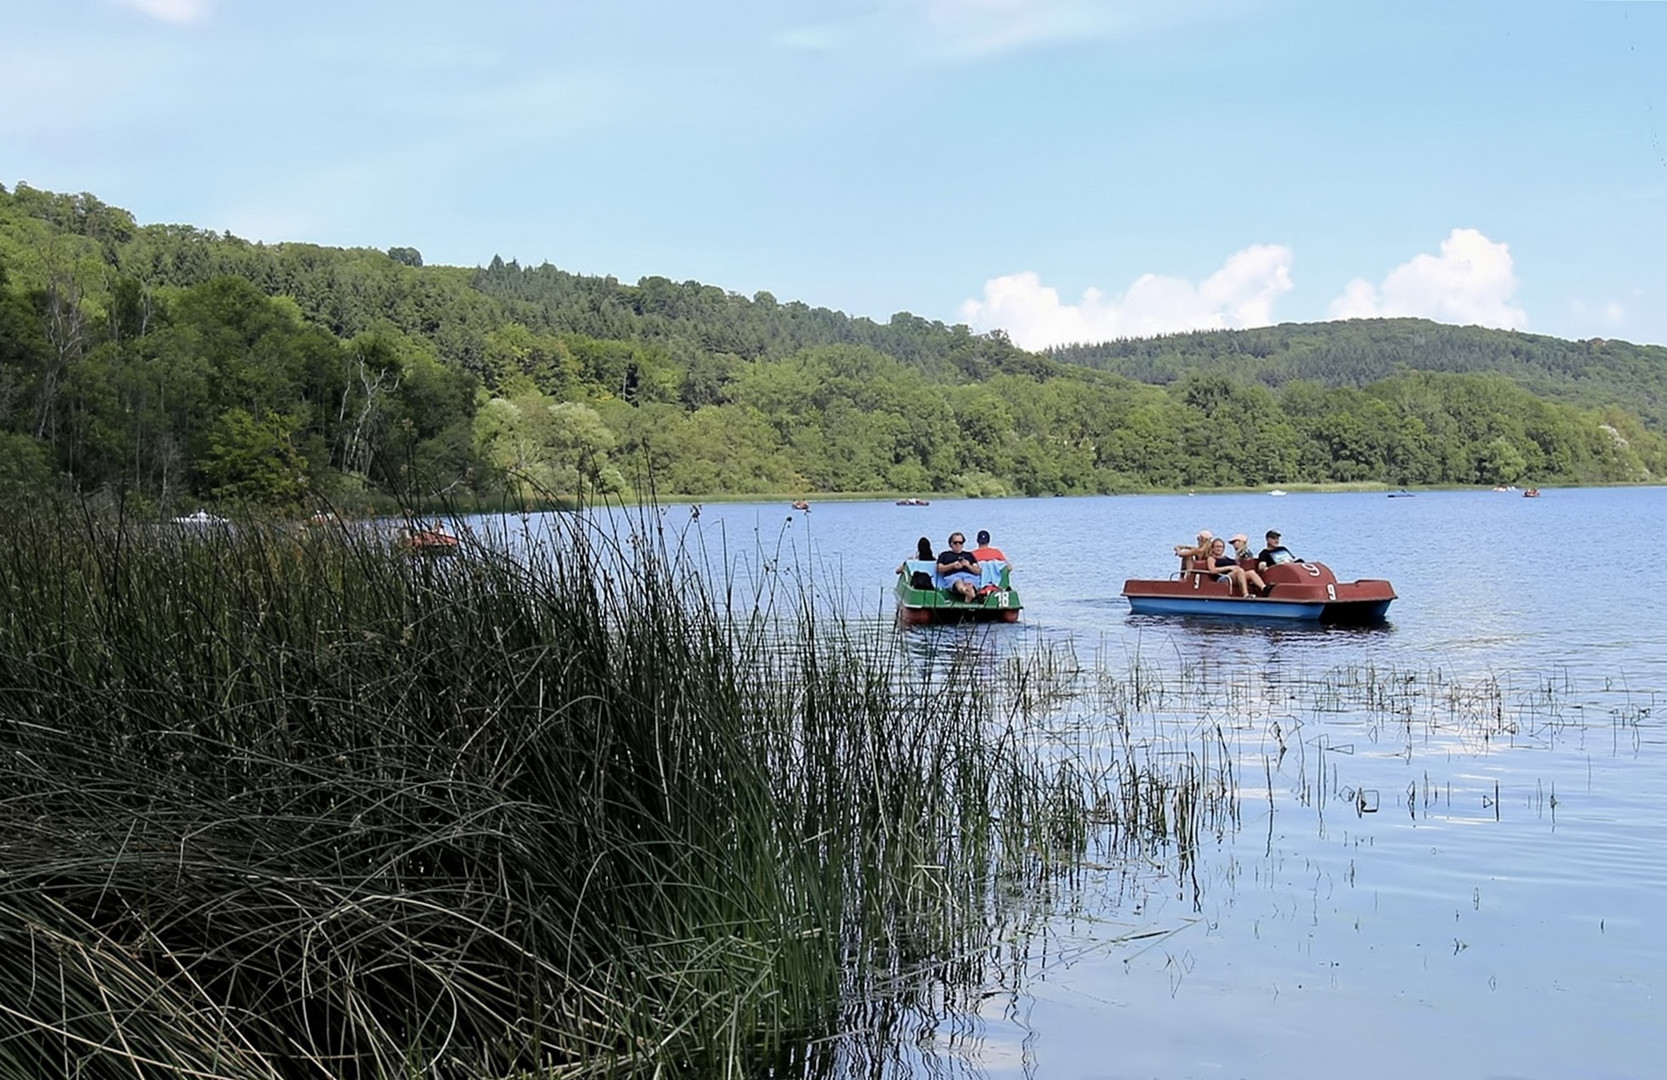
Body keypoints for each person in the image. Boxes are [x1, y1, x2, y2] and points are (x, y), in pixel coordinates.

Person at [1192, 537, 1264, 597]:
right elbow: (1212, 570)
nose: (1219, 549)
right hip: (1222, 578)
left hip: (1233, 576)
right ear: (1212, 548)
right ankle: (1245, 594)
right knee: (1239, 571)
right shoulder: (1211, 558)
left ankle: (1264, 588)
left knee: (1251, 572)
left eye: (1221, 547)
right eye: (1217, 547)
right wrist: (1229, 568)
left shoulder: (1226, 558)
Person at [936, 532, 982, 602]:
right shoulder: (944, 555)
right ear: (950, 544)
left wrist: (968, 565)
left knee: (969, 583)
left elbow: (978, 571)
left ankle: (968, 593)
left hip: (969, 576)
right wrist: (952, 566)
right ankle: (968, 592)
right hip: (953, 576)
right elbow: (939, 568)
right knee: (958, 582)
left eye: (960, 542)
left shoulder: (969, 555)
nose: (958, 545)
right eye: (955, 542)